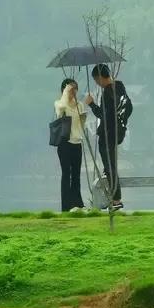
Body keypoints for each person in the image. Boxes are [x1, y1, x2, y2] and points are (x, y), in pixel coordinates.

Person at [85, 64, 127, 212]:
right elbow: (129, 108)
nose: (97, 84)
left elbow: (102, 114)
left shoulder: (108, 92)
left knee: (110, 167)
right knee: (111, 167)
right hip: (117, 133)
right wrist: (121, 123)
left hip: (107, 134)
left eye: (97, 80)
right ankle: (114, 198)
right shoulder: (120, 88)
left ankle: (116, 200)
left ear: (99, 77)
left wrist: (91, 104)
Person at [54, 78, 86, 212]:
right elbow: (60, 109)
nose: (73, 92)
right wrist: (66, 93)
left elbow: (81, 125)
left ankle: (77, 204)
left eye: (75, 89)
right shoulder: (59, 103)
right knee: (66, 174)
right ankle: (66, 206)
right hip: (65, 144)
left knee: (77, 174)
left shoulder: (80, 105)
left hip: (77, 143)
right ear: (64, 90)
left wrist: (83, 118)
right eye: (70, 89)